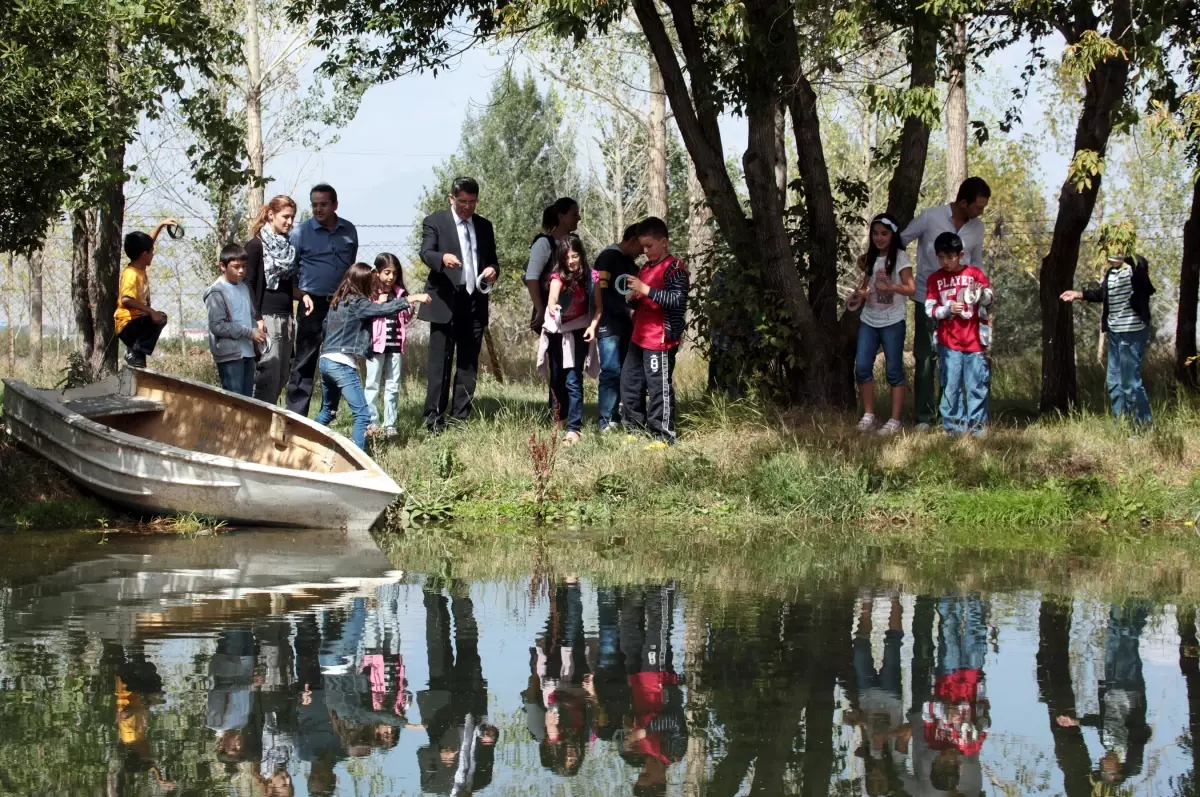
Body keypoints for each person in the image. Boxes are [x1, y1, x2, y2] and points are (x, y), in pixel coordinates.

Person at [901, 177, 991, 430]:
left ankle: (950, 417)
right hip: (927, 298)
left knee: (955, 358)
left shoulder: (977, 228)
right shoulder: (930, 217)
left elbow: (977, 263)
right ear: (964, 202)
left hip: (964, 307)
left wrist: (983, 298)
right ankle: (924, 417)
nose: (980, 212)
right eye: (978, 207)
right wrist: (904, 277)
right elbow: (901, 240)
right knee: (926, 356)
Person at [313, 262, 429, 449]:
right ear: (362, 282)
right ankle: (360, 462)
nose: (374, 285)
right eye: (371, 281)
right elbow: (382, 311)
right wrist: (411, 298)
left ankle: (305, 442)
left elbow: (326, 328)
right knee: (363, 415)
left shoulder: (338, 301)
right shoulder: (358, 302)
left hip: (326, 360)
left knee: (329, 410)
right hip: (342, 363)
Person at [418, 177, 500, 433]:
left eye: (472, 202)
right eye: (462, 201)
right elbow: (426, 252)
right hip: (444, 302)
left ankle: (460, 419)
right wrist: (442, 258)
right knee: (439, 364)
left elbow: (493, 261)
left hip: (474, 302)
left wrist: (492, 271)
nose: (467, 207)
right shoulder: (435, 222)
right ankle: (434, 419)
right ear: (451, 199)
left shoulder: (484, 226)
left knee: (468, 365)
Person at [287, 184, 359, 417]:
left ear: (335, 205)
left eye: (323, 204)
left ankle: (329, 414)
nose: (318, 209)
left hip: (340, 305)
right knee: (305, 361)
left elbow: (352, 267)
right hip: (311, 305)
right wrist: (301, 294)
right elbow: (290, 269)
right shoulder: (301, 232)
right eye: (314, 205)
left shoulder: (349, 231)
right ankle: (297, 418)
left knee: (337, 359)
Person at [1060, 254, 1156, 427]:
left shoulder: (1135, 268)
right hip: (1114, 332)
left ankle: (1142, 425)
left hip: (1131, 331)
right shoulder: (1111, 273)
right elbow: (1102, 294)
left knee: (1130, 382)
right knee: (1114, 381)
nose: (1107, 257)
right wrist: (1079, 294)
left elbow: (1146, 286)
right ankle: (1121, 423)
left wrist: (1130, 257)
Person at [622, 217, 689, 448]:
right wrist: (634, 298)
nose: (645, 251)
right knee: (630, 382)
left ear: (664, 242)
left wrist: (644, 289)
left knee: (658, 387)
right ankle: (634, 427)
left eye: (650, 245)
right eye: (643, 246)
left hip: (659, 340)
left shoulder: (675, 268)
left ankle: (663, 434)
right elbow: (645, 298)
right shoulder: (646, 267)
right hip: (638, 336)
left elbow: (677, 300)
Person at [847, 213, 915, 436]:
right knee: (863, 367)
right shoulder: (869, 259)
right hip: (869, 319)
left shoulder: (901, 258)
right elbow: (866, 288)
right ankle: (869, 415)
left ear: (892, 235)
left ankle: (895, 421)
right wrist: (858, 296)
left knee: (894, 370)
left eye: (884, 233)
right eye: (875, 233)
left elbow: (911, 288)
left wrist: (892, 287)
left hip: (893, 321)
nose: (879, 238)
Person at [924, 232, 993, 436]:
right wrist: (947, 309)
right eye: (941, 257)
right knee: (951, 387)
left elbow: (990, 300)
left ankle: (977, 430)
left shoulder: (974, 274)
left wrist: (980, 294)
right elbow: (930, 309)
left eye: (951, 257)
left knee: (976, 387)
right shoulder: (934, 279)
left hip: (974, 343)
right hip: (948, 343)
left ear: (961, 254)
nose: (946, 262)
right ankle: (954, 430)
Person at [843, 592, 910, 796]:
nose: (876, 778)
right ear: (889, 780)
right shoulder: (897, 759)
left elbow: (863, 720)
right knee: (892, 646)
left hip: (867, 695)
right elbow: (909, 729)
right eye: (880, 783)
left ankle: (866, 601)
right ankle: (895, 598)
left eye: (872, 783)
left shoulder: (864, 752)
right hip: (891, 696)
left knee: (860, 649)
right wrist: (887, 735)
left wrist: (856, 719)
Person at [538, 237, 600, 445]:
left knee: (573, 380)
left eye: (575, 256)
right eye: (567, 258)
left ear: (581, 254)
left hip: (579, 332)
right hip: (557, 332)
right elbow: (551, 301)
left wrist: (592, 327)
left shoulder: (592, 278)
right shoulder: (558, 278)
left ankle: (574, 428)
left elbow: (598, 308)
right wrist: (553, 308)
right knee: (557, 379)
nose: (572, 261)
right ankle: (560, 419)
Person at [244, 195, 298, 405]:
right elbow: (247, 284)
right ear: (271, 215)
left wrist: (303, 295)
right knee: (268, 376)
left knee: (282, 375)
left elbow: (286, 286)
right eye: (285, 217)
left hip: (286, 319)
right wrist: (257, 318)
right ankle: (259, 426)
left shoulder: (288, 248)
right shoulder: (256, 246)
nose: (289, 222)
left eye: (292, 217)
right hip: (267, 319)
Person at [593, 225, 642, 432]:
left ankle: (620, 416)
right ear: (631, 240)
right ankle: (606, 421)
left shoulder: (632, 264)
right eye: (640, 246)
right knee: (611, 370)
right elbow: (602, 294)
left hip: (628, 327)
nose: (642, 252)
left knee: (626, 371)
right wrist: (625, 310)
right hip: (608, 325)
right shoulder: (606, 258)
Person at [114, 217, 179, 367]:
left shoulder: (139, 267)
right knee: (159, 317)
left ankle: (136, 353)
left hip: (137, 322)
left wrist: (161, 225)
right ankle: (135, 350)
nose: (153, 255)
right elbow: (126, 299)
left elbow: (149, 242)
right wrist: (150, 311)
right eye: (152, 252)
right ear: (144, 255)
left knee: (160, 317)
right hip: (128, 325)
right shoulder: (131, 274)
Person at [205, 243, 267, 397]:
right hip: (230, 354)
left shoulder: (244, 288)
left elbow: (250, 316)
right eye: (236, 266)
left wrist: (257, 333)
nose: (241, 270)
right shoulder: (217, 291)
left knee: (246, 400)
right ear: (223, 266)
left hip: (247, 352)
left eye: (244, 266)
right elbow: (217, 326)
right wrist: (249, 333)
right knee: (234, 400)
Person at [365, 253, 414, 437]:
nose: (390, 277)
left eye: (394, 273)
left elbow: (406, 317)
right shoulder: (370, 293)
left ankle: (390, 424)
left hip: (395, 345)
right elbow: (367, 314)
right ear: (377, 272)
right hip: (376, 346)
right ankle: (372, 423)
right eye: (386, 272)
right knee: (372, 384)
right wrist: (378, 303)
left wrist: (409, 306)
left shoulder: (400, 293)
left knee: (393, 385)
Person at [525, 198, 581, 332]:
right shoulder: (544, 244)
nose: (579, 218)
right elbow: (531, 278)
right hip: (552, 316)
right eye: (574, 214)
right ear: (561, 217)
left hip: (577, 317)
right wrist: (540, 309)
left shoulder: (575, 242)